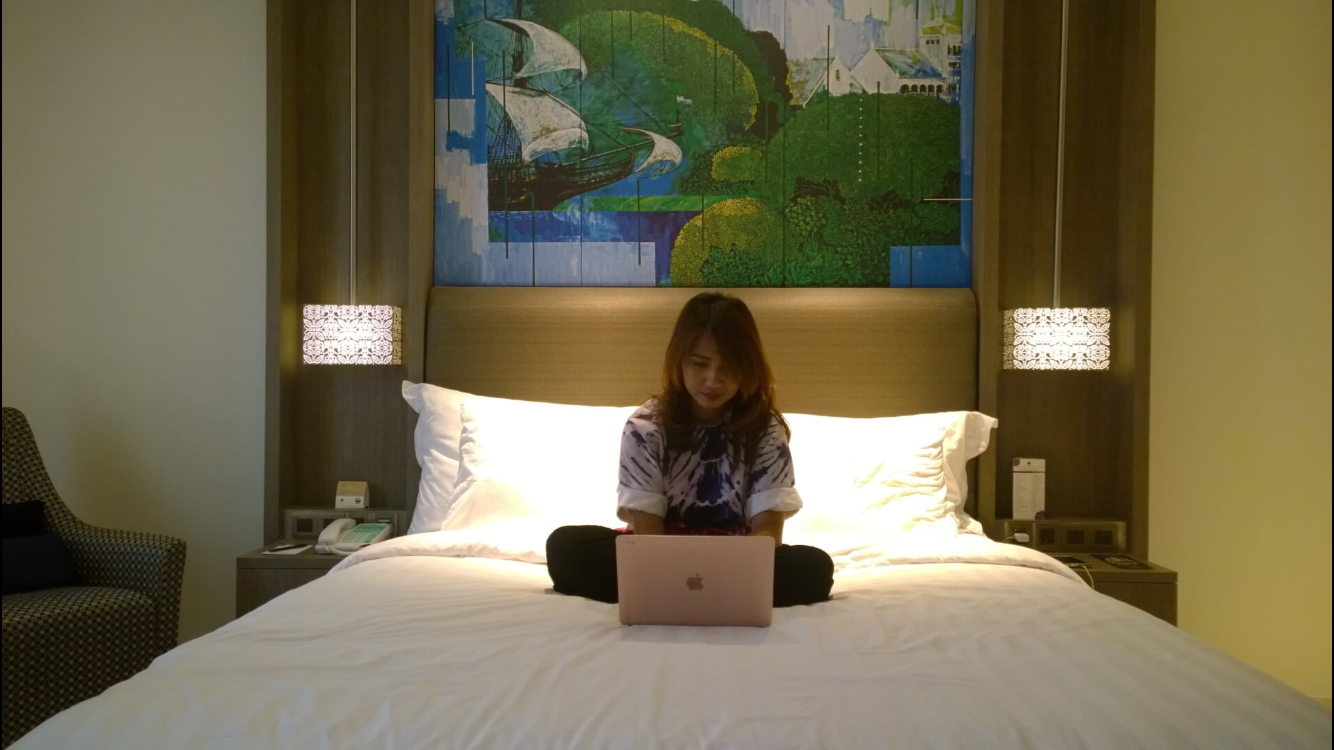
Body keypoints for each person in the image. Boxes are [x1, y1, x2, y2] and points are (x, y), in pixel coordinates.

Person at [546, 292, 834, 608]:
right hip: (656, 557)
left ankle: (678, 595)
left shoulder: (765, 430)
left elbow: (767, 535)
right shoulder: (645, 427)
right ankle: (714, 597)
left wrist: (718, 571)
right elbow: (647, 535)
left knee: (815, 567)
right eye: (699, 364)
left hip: (737, 560)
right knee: (565, 546)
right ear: (679, 359)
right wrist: (681, 572)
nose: (713, 380)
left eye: (729, 366)